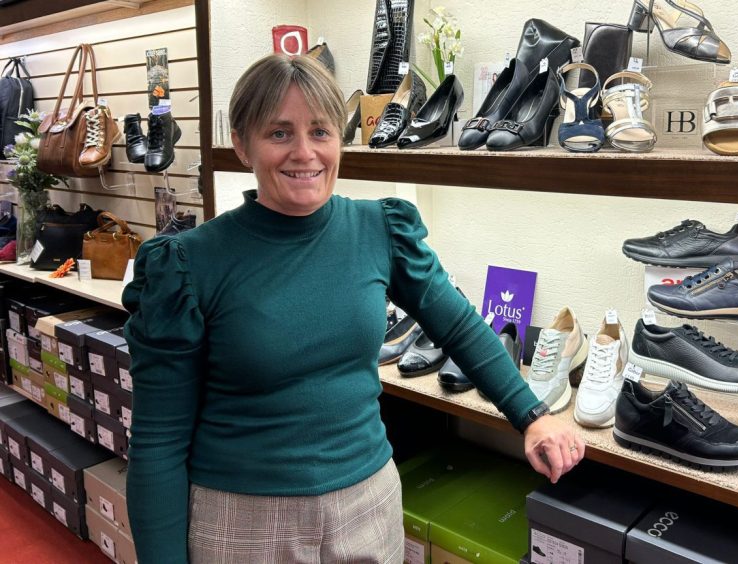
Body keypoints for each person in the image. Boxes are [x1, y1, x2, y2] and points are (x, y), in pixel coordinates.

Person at [122, 53, 584, 564]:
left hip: (368, 506)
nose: (305, 153)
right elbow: (158, 442)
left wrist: (531, 414)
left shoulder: (379, 230)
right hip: (244, 521)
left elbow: (458, 324)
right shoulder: (188, 265)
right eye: (279, 133)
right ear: (240, 143)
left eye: (321, 131)